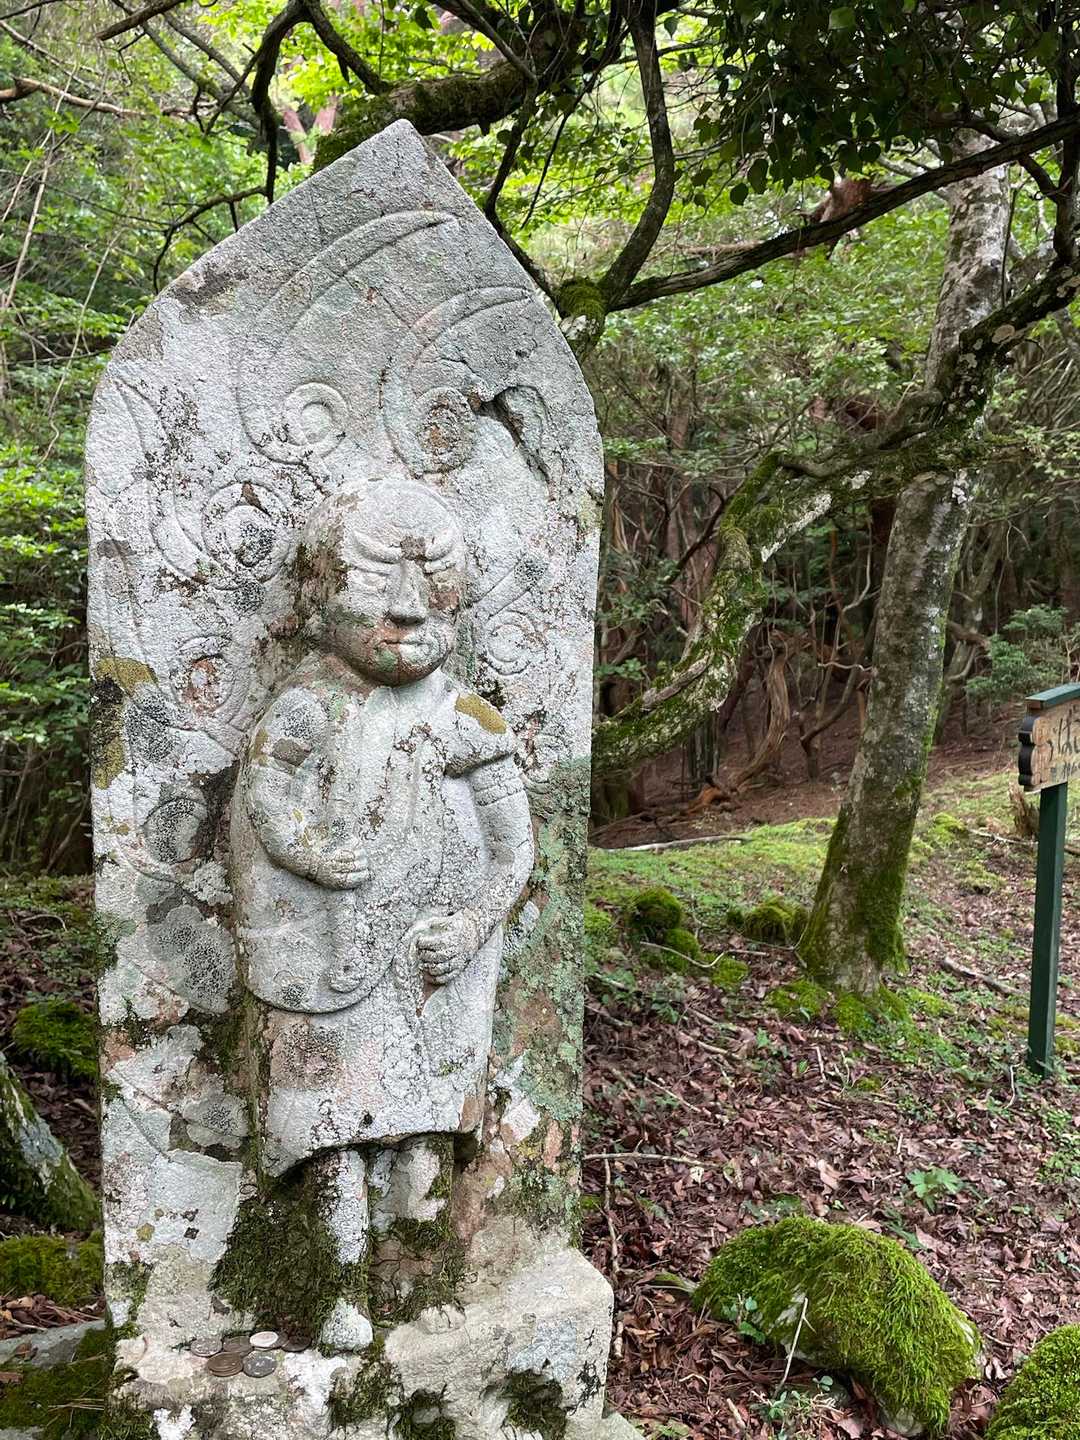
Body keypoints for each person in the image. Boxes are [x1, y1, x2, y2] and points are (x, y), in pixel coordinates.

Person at [230, 477, 534, 1347]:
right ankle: (338, 1290)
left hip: (431, 970)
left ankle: (420, 1280)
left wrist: (471, 926)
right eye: (375, 586)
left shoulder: (469, 719)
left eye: (432, 588)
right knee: (330, 1131)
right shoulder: (308, 706)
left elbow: (515, 850)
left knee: (423, 1129)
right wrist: (309, 852)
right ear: (319, 594)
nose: (406, 610)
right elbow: (266, 797)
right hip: (329, 957)